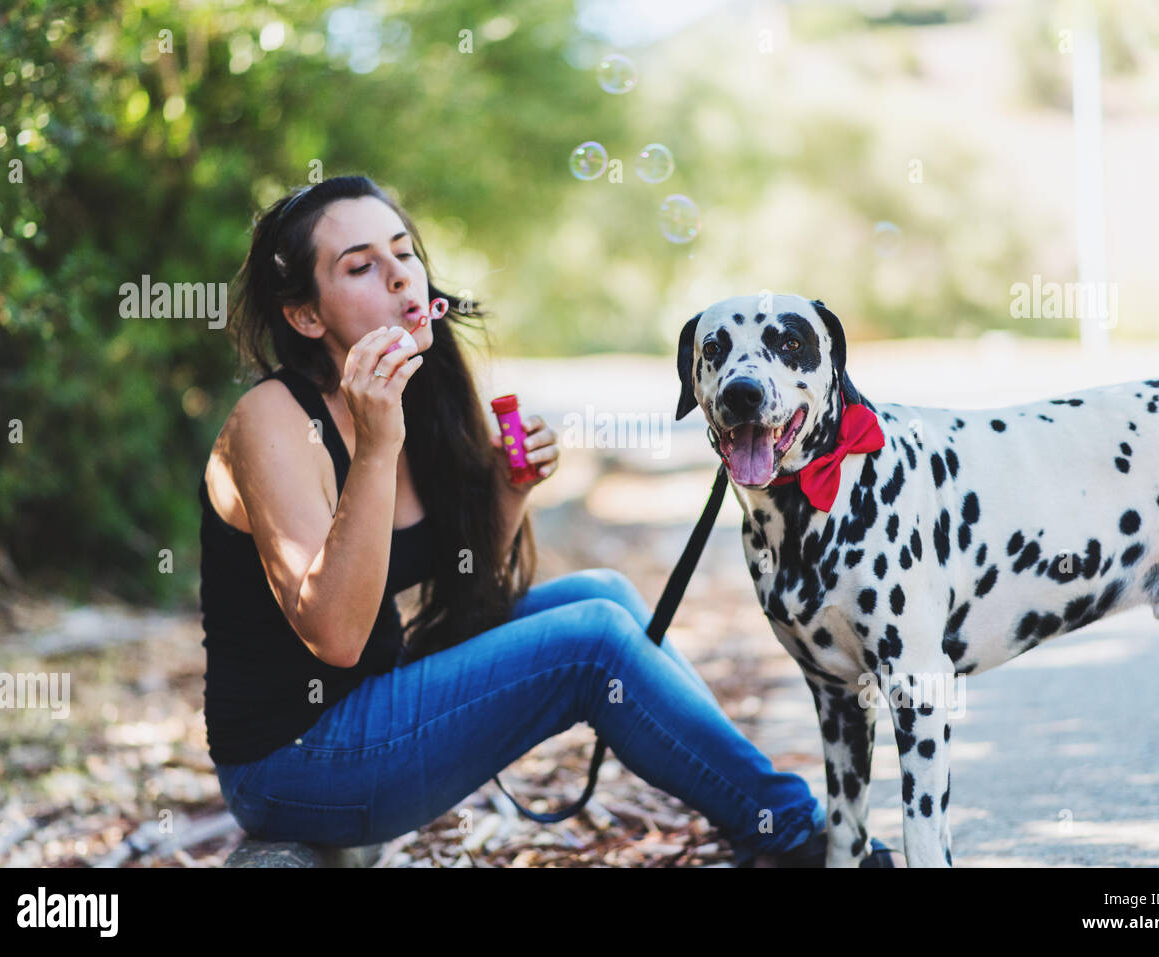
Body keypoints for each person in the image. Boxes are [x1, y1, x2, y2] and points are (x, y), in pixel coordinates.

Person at [199, 174, 893, 867]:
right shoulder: (274, 421)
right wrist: (378, 449)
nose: (400, 278)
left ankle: (766, 814)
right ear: (305, 316)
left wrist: (509, 490)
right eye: (360, 266)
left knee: (606, 595)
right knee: (593, 642)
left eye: (405, 253)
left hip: (379, 711)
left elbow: (463, 595)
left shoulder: (423, 390)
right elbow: (339, 637)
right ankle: (793, 831)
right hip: (294, 765)